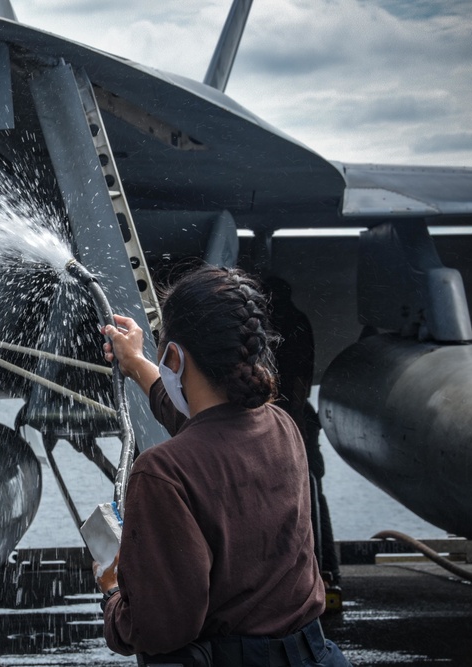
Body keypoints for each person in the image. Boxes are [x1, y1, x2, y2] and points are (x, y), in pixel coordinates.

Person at [95, 266, 352, 667]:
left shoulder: (162, 473)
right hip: (313, 655)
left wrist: (112, 593)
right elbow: (206, 427)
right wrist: (138, 364)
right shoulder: (281, 427)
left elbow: (162, 628)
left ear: (175, 357)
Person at [263, 275, 341, 587]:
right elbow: (300, 381)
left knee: (296, 496)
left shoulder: (278, 326)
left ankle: (303, 574)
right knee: (310, 497)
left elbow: (292, 383)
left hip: (286, 421)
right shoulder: (298, 322)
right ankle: (325, 572)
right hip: (298, 421)